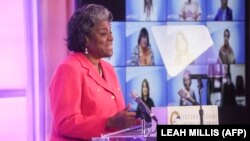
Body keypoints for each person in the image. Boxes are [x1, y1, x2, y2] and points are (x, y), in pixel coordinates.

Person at [49, 4, 137, 141]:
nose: (111, 38)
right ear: (85, 39)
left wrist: (133, 122)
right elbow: (64, 123)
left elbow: (116, 117)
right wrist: (109, 122)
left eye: (111, 32)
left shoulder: (108, 68)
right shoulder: (69, 69)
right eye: (103, 33)